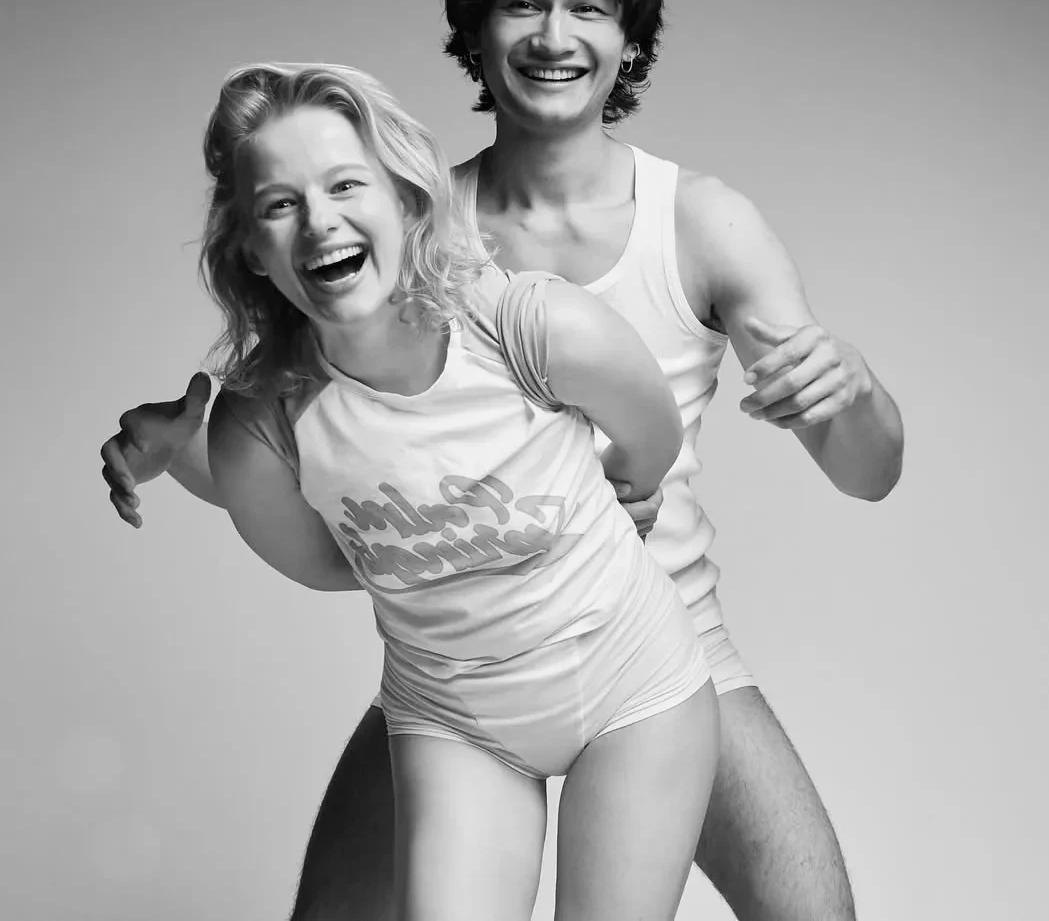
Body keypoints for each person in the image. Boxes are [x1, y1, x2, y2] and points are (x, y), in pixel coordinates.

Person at [101, 0, 904, 921]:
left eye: (588, 7)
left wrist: (851, 387)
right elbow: (340, 473)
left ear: (629, 39)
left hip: (651, 633)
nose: (553, 35)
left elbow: (867, 473)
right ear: (475, 34)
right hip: (463, 652)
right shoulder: (399, 223)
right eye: (522, 3)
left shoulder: (701, 224)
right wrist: (188, 450)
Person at [193, 60, 719, 921]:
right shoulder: (259, 429)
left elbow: (651, 434)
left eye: (345, 184)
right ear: (250, 245)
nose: (319, 221)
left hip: (636, 688)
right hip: (456, 722)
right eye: (280, 204)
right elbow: (331, 563)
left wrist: (619, 491)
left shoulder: (529, 325)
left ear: (405, 199)